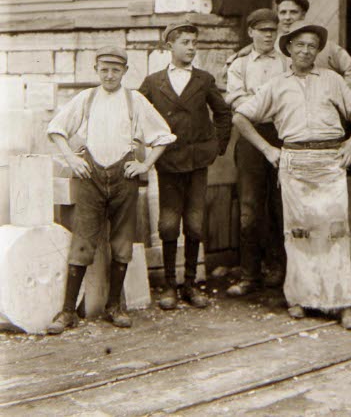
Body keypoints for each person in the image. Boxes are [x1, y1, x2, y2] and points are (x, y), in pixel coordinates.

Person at [233, 20, 351, 329]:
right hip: (294, 163)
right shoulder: (276, 84)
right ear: (289, 49)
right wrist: (268, 150)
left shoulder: (332, 79)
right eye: (300, 45)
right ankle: (300, 298)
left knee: (334, 233)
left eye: (312, 46)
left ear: (317, 51)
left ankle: (344, 303)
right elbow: (241, 117)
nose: (306, 51)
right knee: (299, 235)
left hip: (329, 162)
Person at [47, 46, 176, 334]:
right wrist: (71, 159)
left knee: (122, 241)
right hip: (91, 177)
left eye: (115, 70)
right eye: (104, 69)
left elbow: (163, 136)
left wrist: (144, 165)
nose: (109, 75)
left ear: (125, 72)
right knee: (83, 239)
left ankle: (114, 306)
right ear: (96, 70)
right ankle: (68, 312)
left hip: (124, 178)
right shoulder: (86, 98)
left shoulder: (135, 100)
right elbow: (56, 129)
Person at [139, 22, 232, 311]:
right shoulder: (154, 82)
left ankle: (190, 284)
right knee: (168, 225)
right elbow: (137, 117)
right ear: (171, 46)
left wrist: (217, 147)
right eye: (186, 42)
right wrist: (147, 153)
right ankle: (169, 286)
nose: (191, 47)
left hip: (197, 163)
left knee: (193, 224)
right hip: (167, 164)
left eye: (194, 42)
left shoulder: (204, 80)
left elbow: (223, 114)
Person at [225, 9, 288, 296]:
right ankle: (249, 274)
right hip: (250, 136)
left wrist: (260, 102)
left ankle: (280, 270)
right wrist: (266, 104)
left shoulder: (287, 63)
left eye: (272, 31)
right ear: (250, 32)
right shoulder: (238, 65)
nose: (268, 35)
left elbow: (289, 99)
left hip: (282, 135)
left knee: (281, 206)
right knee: (249, 208)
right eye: (262, 30)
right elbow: (237, 101)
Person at [226, 0, 351, 92]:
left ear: (303, 15)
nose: (287, 17)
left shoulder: (326, 46)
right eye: (283, 12)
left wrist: (337, 97)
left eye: (293, 12)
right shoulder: (270, 45)